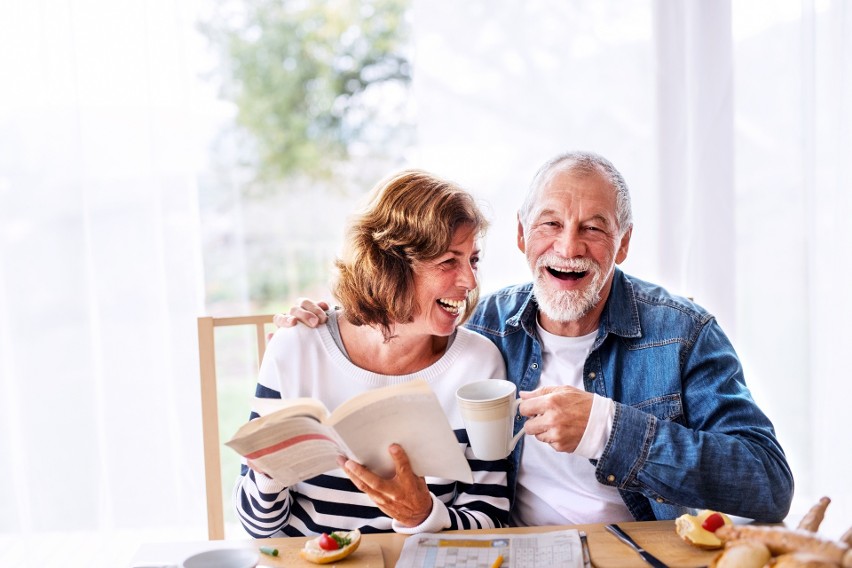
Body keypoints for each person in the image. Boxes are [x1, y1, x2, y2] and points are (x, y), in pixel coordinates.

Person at [279, 151, 795, 526]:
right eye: (551, 223)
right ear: (523, 236)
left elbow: (769, 486)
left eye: (594, 228)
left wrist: (607, 428)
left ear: (624, 243)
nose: (568, 247)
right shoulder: (481, 329)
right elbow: (396, 325)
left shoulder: (682, 333)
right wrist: (330, 318)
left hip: (639, 551)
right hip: (511, 550)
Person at [234, 169, 511, 538]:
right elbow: (257, 527)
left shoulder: (479, 363)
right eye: (449, 262)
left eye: (472, 260)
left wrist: (423, 515)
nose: (470, 281)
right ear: (391, 266)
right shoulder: (296, 347)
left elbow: (492, 516)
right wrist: (269, 471)